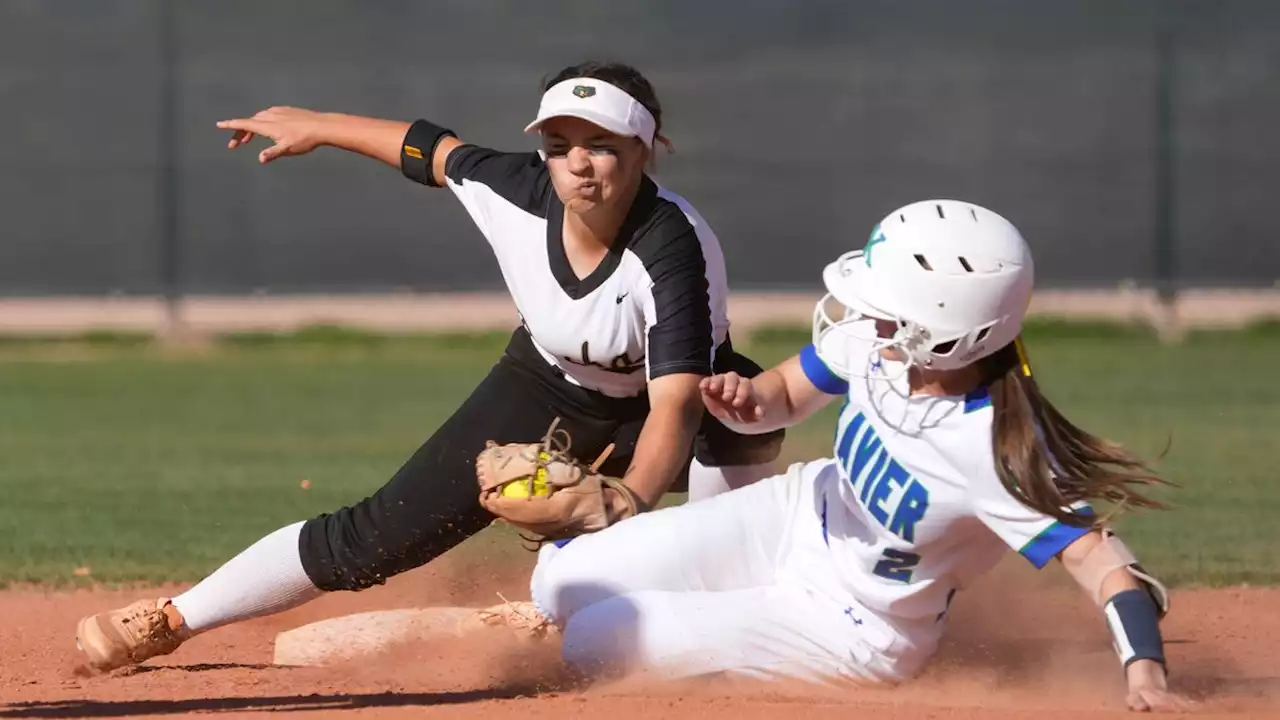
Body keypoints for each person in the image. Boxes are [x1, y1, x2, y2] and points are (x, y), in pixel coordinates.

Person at [74, 60, 784, 672]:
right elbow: (431, 151)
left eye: (601, 145)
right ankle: (173, 618)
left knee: (714, 481)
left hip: (678, 408)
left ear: (644, 148)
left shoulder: (669, 252)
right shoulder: (515, 188)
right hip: (543, 382)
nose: (577, 162)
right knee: (372, 539)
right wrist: (318, 124)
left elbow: (675, 407)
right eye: (561, 143)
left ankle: (689, 617)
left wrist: (626, 504)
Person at [522, 199, 1194, 712]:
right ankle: (715, 628)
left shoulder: (995, 446)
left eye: (889, 309)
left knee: (594, 640)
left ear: (950, 332)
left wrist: (1146, 672)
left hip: (853, 626)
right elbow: (785, 390)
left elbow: (1103, 563)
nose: (868, 317)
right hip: (791, 517)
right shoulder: (879, 345)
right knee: (562, 583)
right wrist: (749, 398)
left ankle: (729, 668)